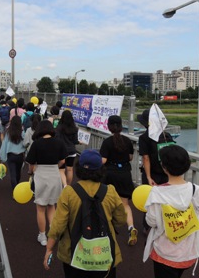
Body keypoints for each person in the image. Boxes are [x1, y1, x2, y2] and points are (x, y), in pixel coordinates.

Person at [43, 149, 127, 277]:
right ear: (100, 169)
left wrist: (49, 249)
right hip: (104, 254)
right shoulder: (110, 191)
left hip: (73, 253)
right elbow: (121, 219)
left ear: (79, 169)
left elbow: (57, 226)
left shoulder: (69, 193)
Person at [143, 145, 199, 278]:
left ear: (164, 167)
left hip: (165, 253)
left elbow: (151, 222)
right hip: (189, 252)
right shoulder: (195, 190)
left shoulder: (157, 193)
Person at [26, 120, 67, 246]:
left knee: (40, 208)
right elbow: (62, 161)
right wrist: (55, 166)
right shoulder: (59, 143)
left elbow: (31, 164)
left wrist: (31, 172)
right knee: (52, 206)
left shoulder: (36, 144)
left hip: (41, 175)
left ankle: (42, 236)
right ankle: (53, 235)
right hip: (55, 175)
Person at [100, 115, 138, 246]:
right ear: (121, 126)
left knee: (107, 203)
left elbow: (103, 160)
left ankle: (108, 230)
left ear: (109, 126)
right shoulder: (127, 141)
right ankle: (131, 227)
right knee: (125, 205)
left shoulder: (107, 142)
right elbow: (130, 157)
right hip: (125, 175)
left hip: (110, 175)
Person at [137, 108, 174, 233]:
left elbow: (146, 158)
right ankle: (164, 224)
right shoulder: (166, 135)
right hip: (166, 174)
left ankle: (147, 226)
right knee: (165, 201)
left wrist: (148, 177)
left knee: (149, 200)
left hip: (152, 174)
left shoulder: (144, 138)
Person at [0, 116, 26, 191]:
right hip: (20, 156)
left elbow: (4, 144)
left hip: (11, 155)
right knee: (18, 172)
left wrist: (2, 156)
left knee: (12, 173)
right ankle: (17, 186)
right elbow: (25, 144)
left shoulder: (8, 132)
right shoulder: (22, 132)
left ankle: (15, 189)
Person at [55, 110, 80, 187]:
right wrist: (79, 142)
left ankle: (65, 185)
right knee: (70, 169)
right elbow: (75, 141)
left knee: (61, 169)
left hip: (62, 151)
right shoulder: (74, 128)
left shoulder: (59, 127)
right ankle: (68, 186)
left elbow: (57, 139)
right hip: (72, 151)